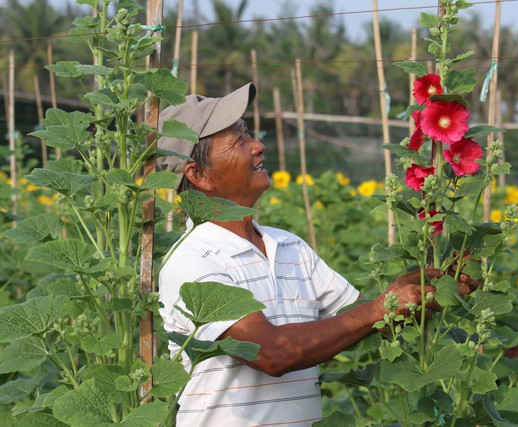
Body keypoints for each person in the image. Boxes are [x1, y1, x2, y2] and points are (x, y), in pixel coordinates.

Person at [156, 83, 476, 427]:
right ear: (199, 175)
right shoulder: (194, 259)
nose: (259, 146)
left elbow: (360, 319)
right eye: (238, 141)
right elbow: (271, 353)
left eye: (248, 133)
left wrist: (422, 290)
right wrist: (381, 307)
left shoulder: (288, 246)